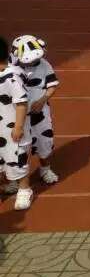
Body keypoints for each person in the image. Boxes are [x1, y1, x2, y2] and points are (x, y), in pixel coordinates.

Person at [6, 35, 60, 192]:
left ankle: (45, 169)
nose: (33, 63)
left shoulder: (44, 65)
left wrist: (43, 100)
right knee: (15, 147)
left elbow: (52, 85)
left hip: (39, 113)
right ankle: (15, 178)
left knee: (44, 140)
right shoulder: (10, 67)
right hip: (16, 114)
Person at [0, 36, 33, 210]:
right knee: (2, 159)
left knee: (17, 158)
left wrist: (18, 127)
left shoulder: (12, 76)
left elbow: (21, 103)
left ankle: (24, 189)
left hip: (12, 128)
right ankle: (11, 182)